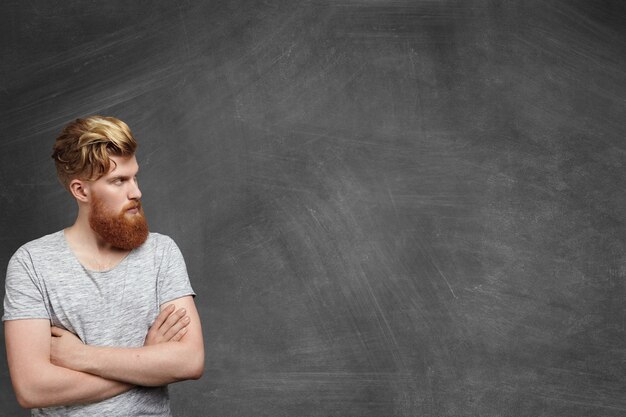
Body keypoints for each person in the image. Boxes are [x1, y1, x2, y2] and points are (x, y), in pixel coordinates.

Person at [2, 116, 204, 416]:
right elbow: (32, 388)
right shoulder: (32, 263)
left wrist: (83, 356)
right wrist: (148, 362)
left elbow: (189, 362)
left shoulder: (161, 253)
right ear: (81, 191)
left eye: (134, 177)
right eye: (118, 181)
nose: (135, 192)